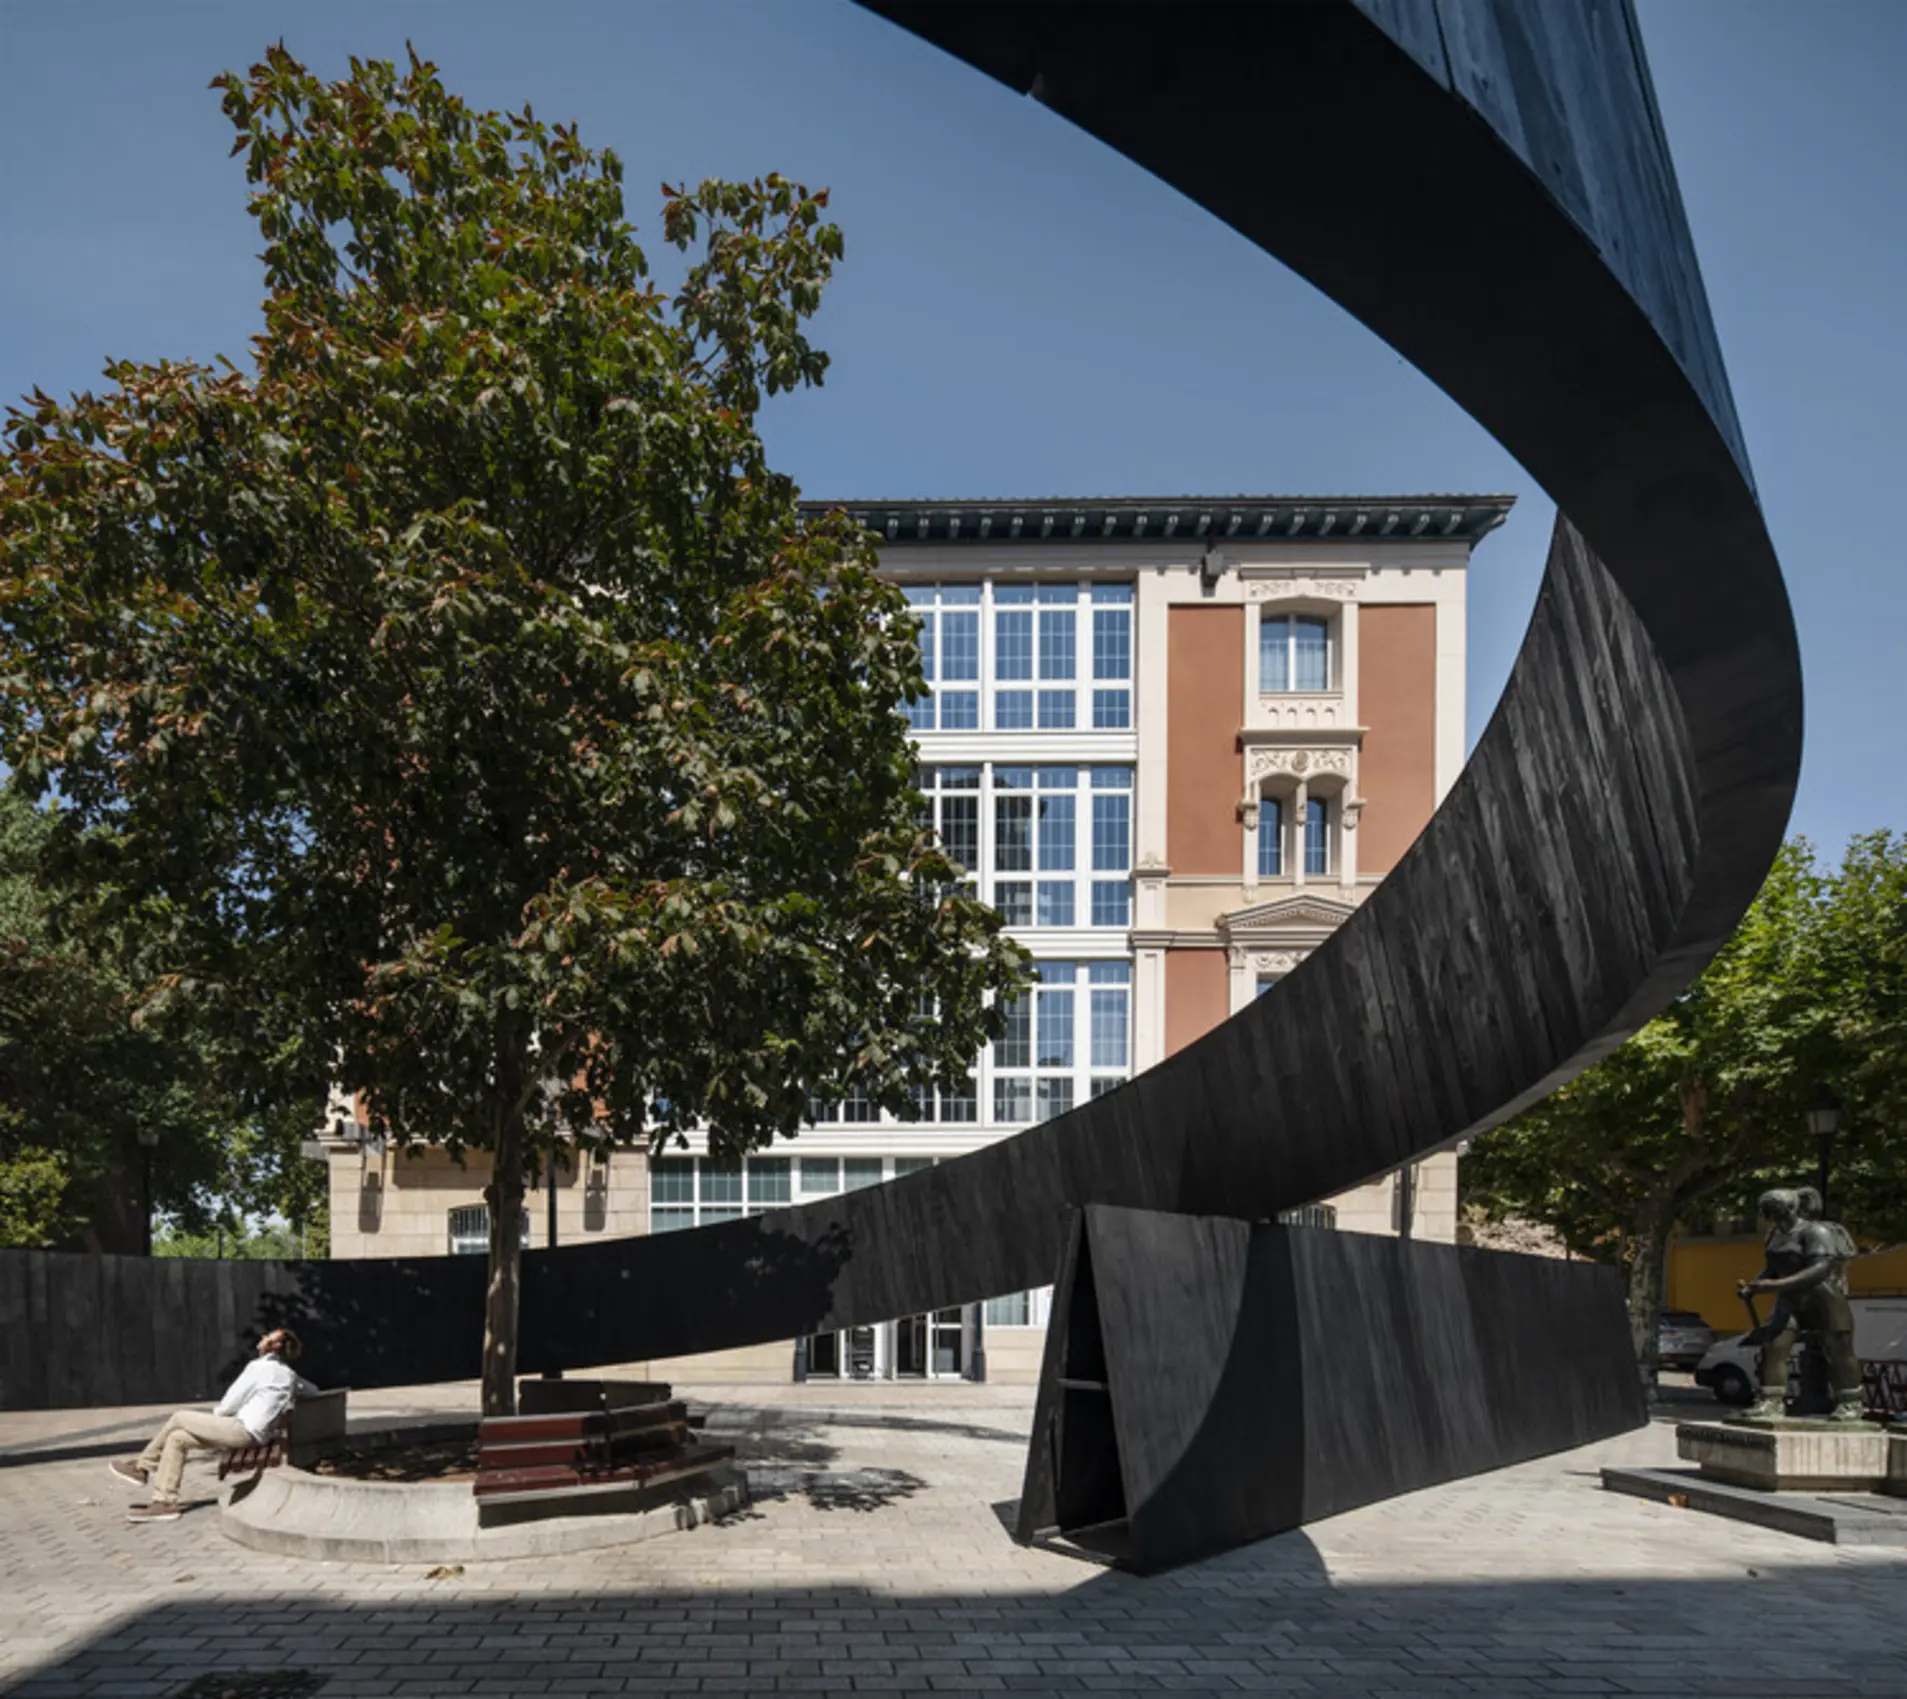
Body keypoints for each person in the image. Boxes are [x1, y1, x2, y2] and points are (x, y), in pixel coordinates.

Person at [110, 1327, 318, 1523]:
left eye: (266, 1336)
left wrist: (216, 1419)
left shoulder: (259, 1367)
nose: (262, 1338)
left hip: (241, 1430)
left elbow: (227, 1406)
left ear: (274, 1346)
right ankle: (164, 1502)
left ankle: (142, 1467)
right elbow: (313, 1390)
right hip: (256, 1435)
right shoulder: (288, 1374)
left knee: (180, 1417)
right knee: (177, 1439)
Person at [1738, 1188, 1863, 1423]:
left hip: (1823, 1298)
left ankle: (1850, 1402)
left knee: (1838, 1350)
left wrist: (1776, 1285)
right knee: (1774, 1346)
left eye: (1772, 1208)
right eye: (1766, 1209)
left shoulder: (1815, 1232)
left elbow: (1820, 1269)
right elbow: (1773, 1268)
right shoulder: (1774, 1234)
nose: (1767, 1213)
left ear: (1789, 1208)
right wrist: (1753, 1286)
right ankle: (1771, 1402)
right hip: (1790, 1300)